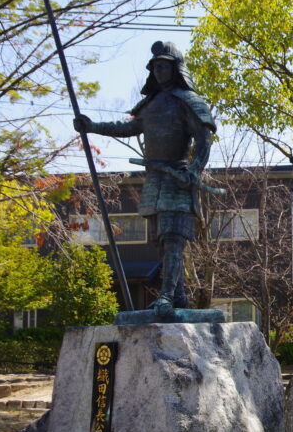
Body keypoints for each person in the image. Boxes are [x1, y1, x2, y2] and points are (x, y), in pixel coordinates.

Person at [74, 41, 215, 314]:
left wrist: (194, 170)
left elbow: (204, 139)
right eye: (155, 67)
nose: (159, 71)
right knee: (160, 243)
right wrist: (92, 127)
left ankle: (166, 296)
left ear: (176, 69)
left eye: (164, 66)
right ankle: (178, 298)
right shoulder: (150, 105)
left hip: (177, 178)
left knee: (173, 239)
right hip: (154, 181)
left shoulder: (189, 102)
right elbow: (127, 128)